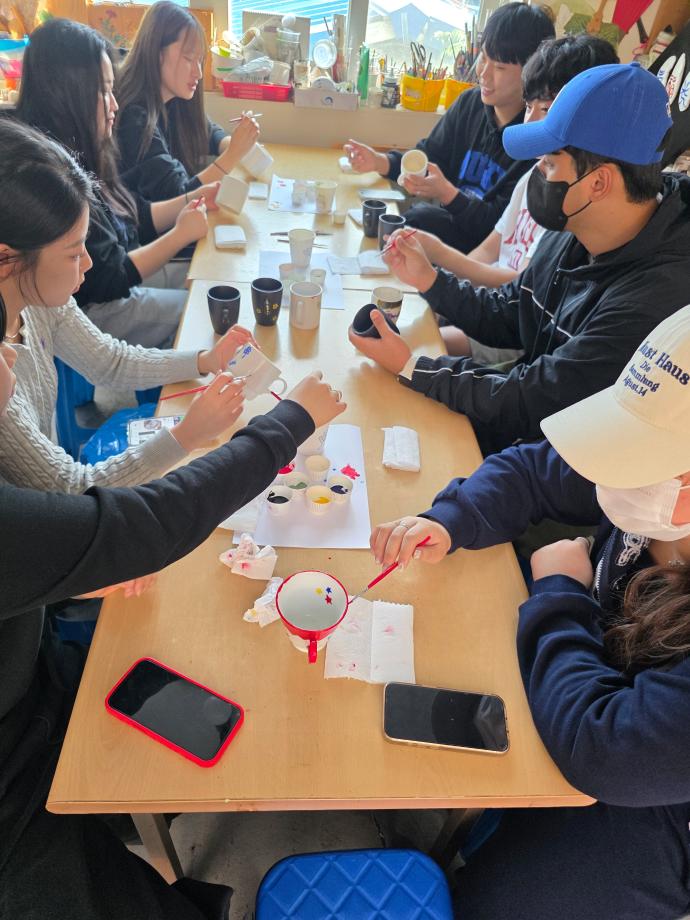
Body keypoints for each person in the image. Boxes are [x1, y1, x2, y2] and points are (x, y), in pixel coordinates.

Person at [0, 291, 346, 920]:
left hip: (32, 680)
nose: (12, 363)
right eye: (1, 349)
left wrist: (68, 574)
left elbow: (39, 552)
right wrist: (286, 423)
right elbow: (150, 521)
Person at [371, 306, 690, 919]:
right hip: (601, 678)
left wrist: (559, 595)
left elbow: (611, 751)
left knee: (498, 903)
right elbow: (533, 470)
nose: (615, 473)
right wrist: (451, 519)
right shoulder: (655, 485)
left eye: (644, 458)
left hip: (657, 798)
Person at [350, 63, 690, 456]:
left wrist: (414, 367)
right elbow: (511, 313)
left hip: (561, 464)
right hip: (525, 432)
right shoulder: (577, 229)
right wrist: (430, 279)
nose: (538, 172)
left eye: (549, 163)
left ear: (598, 182)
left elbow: (534, 398)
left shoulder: (653, 301)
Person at [0, 117, 256, 494]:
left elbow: (111, 362)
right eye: (74, 253)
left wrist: (205, 360)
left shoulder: (39, 299)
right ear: (7, 258)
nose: (88, 263)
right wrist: (186, 435)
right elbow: (71, 488)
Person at [412, 34, 618, 359]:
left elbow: (519, 287)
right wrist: (446, 288)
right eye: (529, 106)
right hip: (490, 306)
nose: (530, 121)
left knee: (419, 347)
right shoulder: (532, 176)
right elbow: (489, 249)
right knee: (413, 325)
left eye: (545, 109)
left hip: (509, 328)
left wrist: (440, 258)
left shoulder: (572, 200)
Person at [16, 18, 217, 349]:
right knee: (205, 310)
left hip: (121, 276)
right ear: (69, 94)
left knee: (213, 282)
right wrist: (180, 234)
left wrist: (191, 200)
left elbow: (131, 214)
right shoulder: (55, 174)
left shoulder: (88, 144)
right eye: (104, 91)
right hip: (99, 305)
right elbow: (111, 278)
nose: (115, 105)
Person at [343, 3, 555, 251]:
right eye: (483, 58)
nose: (483, 74)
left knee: (415, 222)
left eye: (499, 67)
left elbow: (496, 229)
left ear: (531, 73)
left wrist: (447, 193)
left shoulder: (534, 140)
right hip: (451, 230)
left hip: (482, 252)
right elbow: (429, 158)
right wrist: (379, 161)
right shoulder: (470, 103)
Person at [116, 0, 260, 203]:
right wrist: (234, 153)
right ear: (157, 53)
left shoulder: (175, 98)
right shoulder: (134, 118)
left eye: (200, 61)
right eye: (188, 59)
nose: (198, 73)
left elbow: (208, 132)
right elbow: (178, 197)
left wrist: (238, 143)